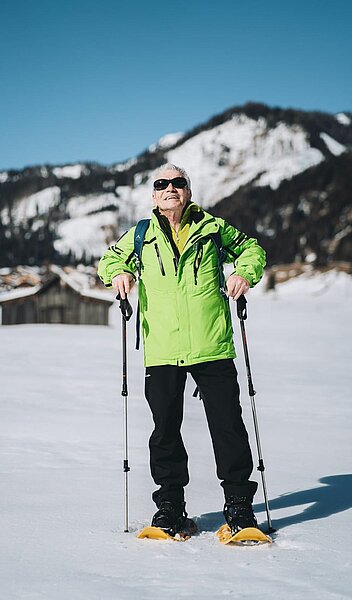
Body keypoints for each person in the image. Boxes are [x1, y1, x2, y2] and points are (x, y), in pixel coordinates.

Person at [98, 164, 266, 535]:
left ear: (188, 191)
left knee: (229, 429)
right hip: (162, 348)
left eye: (178, 182)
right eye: (162, 184)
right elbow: (109, 259)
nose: (170, 188)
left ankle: (239, 509)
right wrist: (119, 274)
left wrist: (243, 273)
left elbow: (252, 249)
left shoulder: (213, 228)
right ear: (154, 195)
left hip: (212, 344)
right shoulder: (141, 235)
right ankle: (171, 508)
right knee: (165, 432)